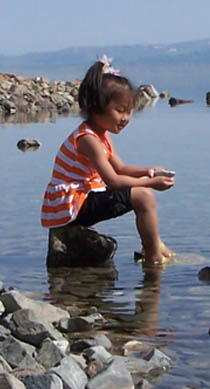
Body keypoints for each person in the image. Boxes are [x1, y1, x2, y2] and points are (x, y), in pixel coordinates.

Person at [41, 59, 175, 266]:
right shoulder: (88, 140)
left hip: (82, 197)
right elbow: (113, 180)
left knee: (142, 194)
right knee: (143, 197)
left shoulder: (100, 135)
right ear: (96, 108)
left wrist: (148, 172)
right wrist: (150, 184)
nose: (125, 118)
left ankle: (153, 243)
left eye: (129, 111)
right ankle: (152, 256)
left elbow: (121, 168)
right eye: (119, 110)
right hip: (73, 205)